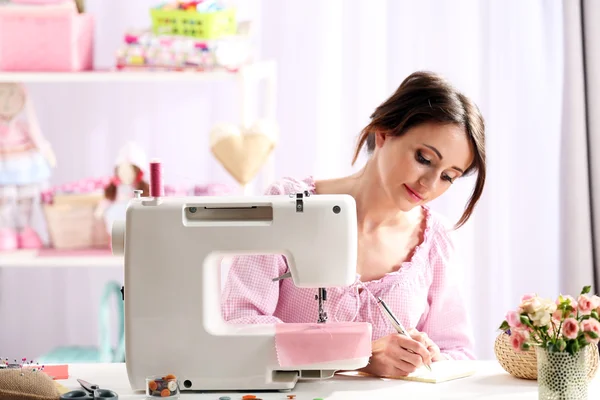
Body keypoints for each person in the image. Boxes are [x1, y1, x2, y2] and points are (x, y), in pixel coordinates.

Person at [221, 71, 486, 378]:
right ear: (384, 133)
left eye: (448, 176)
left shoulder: (434, 241)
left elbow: (459, 353)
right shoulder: (288, 205)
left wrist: (425, 356)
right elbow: (241, 319)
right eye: (424, 158)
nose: (429, 184)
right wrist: (360, 355)